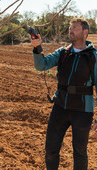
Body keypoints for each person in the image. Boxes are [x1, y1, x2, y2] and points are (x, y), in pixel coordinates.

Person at [31, 18, 97, 170]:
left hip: (82, 111)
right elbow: (41, 65)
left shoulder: (93, 56)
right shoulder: (63, 53)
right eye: (70, 28)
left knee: (80, 153)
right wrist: (37, 48)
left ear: (85, 32)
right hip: (60, 107)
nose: (71, 30)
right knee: (50, 150)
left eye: (75, 27)